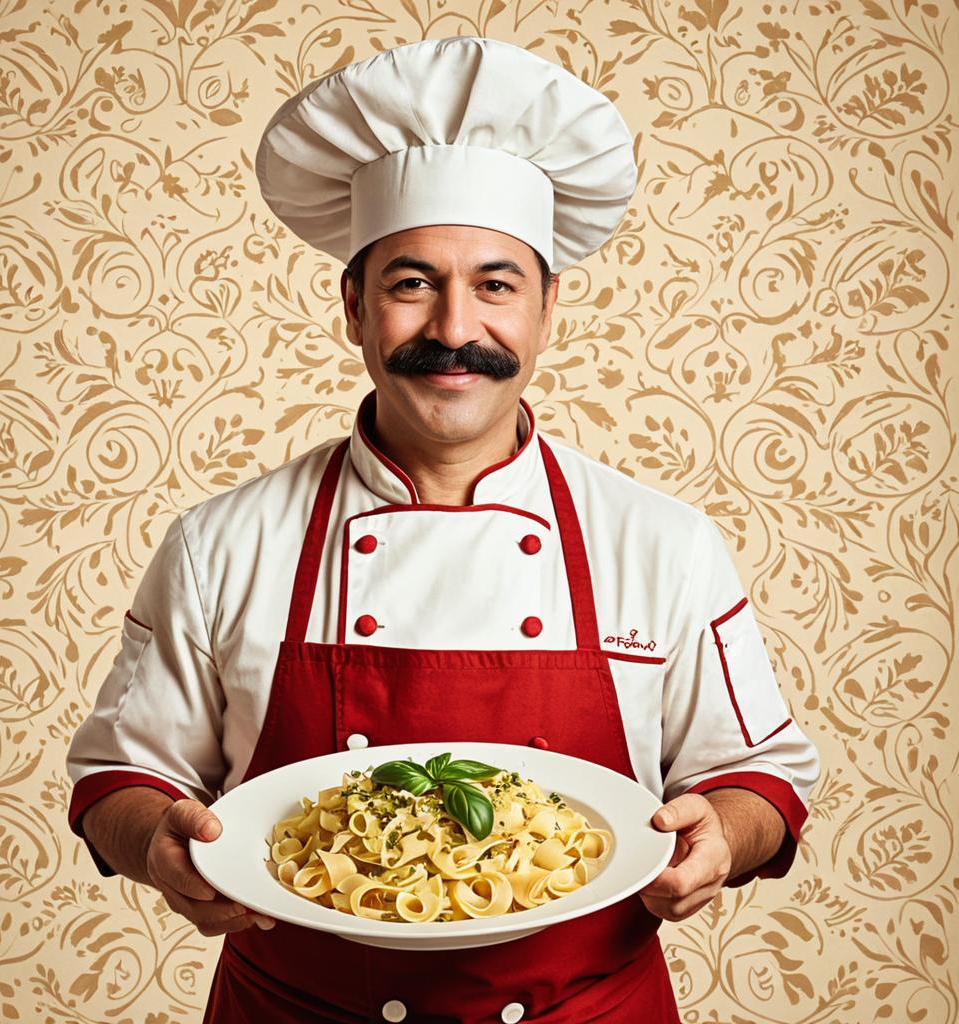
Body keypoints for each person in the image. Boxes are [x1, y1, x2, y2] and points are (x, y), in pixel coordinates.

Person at [66, 36, 820, 1023]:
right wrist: (153, 843)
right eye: (411, 281)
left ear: (548, 309)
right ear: (354, 306)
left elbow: (756, 773)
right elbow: (125, 773)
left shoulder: (661, 542)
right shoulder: (222, 540)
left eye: (497, 284)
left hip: (586, 1010)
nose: (454, 326)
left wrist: (724, 834)